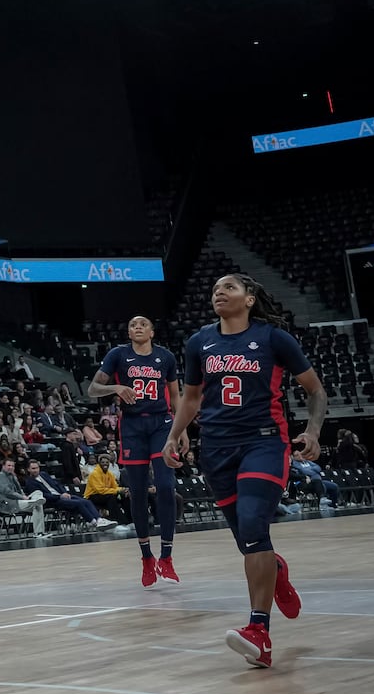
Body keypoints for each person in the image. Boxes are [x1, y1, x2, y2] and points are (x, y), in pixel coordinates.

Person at [163, 274, 327, 670]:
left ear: (249, 299)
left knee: (254, 528)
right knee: (249, 542)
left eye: (229, 288)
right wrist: (174, 436)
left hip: (264, 443)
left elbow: (315, 391)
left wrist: (313, 431)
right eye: (215, 289)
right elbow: (192, 397)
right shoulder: (199, 341)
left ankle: (260, 632)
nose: (219, 292)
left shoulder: (273, 339)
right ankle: (277, 570)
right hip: (216, 449)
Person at [88, 315, 182, 589]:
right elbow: (93, 388)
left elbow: (176, 396)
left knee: (166, 486)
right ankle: (146, 557)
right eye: (132, 325)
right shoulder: (118, 355)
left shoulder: (165, 357)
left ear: (152, 331)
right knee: (138, 492)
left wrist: (182, 430)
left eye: (142, 324)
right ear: (128, 332)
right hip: (132, 426)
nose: (137, 327)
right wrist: (116, 387)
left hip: (162, 424)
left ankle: (166, 556)